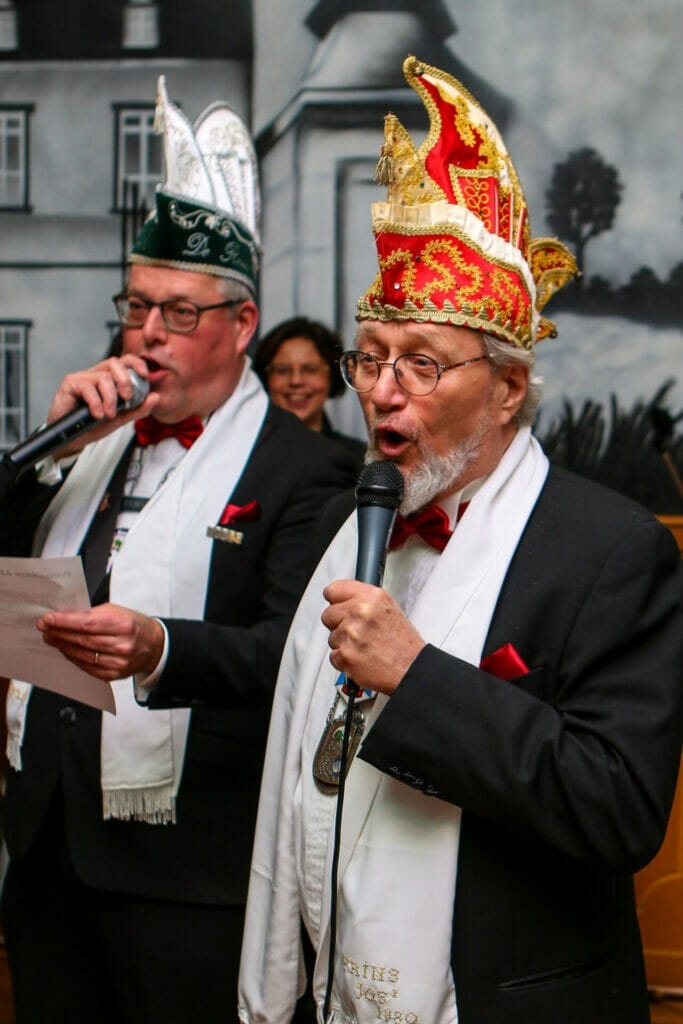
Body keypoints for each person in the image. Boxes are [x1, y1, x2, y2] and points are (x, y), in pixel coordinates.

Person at [238, 56, 683, 1024]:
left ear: (507, 387)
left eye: (421, 364)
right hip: (330, 985)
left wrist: (416, 676)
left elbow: (615, 809)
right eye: (371, 358)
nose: (381, 392)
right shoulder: (348, 517)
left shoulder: (610, 551)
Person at [0, 78, 357, 1024]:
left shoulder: (305, 470)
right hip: (46, 849)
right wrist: (50, 455)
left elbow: (295, 657)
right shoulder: (90, 439)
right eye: (138, 306)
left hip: (188, 871)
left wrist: (162, 647)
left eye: (181, 313)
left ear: (242, 325)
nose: (150, 334)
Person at [254, 316, 366, 465]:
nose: (296, 381)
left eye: (310, 370)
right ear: (266, 377)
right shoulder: (246, 454)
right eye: (282, 370)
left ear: (332, 376)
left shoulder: (357, 460)